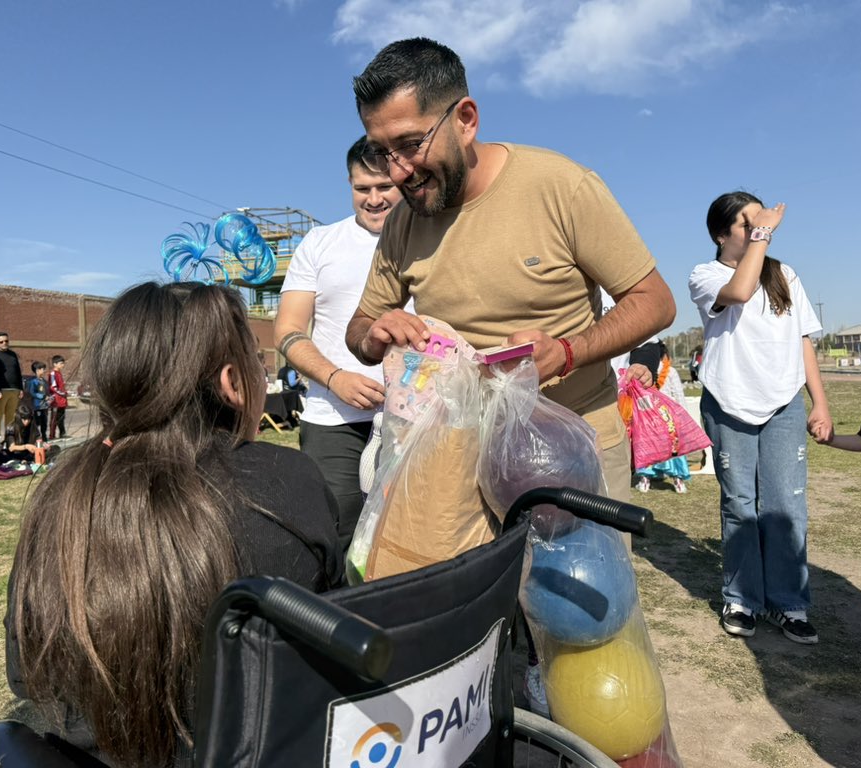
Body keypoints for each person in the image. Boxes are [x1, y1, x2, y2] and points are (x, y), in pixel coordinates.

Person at [5, 281, 342, 768]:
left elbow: (24, 674)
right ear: (232, 382)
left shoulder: (59, 494)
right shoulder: (289, 479)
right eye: (257, 360)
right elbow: (332, 652)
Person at [343, 38, 675, 510]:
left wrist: (566, 353)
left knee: (576, 563)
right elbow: (359, 327)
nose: (398, 172)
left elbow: (654, 302)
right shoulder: (402, 222)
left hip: (575, 442)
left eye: (411, 144)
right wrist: (374, 336)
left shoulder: (561, 187)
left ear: (465, 120)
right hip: (458, 453)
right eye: (382, 152)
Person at [689, 190, 832, 645]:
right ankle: (742, 599)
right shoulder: (706, 275)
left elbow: (803, 340)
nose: (758, 231)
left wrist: (819, 402)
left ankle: (789, 603)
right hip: (729, 403)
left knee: (785, 506)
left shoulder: (784, 274)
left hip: (783, 403)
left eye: (761, 222)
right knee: (740, 504)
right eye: (747, 225)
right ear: (720, 234)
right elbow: (739, 291)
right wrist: (764, 235)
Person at [274, 137, 401, 551]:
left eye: (384, 186)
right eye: (362, 188)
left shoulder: (430, 239)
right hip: (334, 420)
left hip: (415, 419)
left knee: (406, 533)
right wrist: (335, 378)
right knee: (337, 535)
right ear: (349, 184)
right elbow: (287, 330)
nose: (374, 199)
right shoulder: (319, 243)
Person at [628, 341, 691, 494]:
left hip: (650, 416)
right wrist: (683, 417)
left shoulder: (643, 370)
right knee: (673, 449)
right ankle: (678, 481)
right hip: (667, 416)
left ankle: (645, 481)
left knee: (649, 447)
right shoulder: (671, 371)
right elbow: (678, 395)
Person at [0, 331, 23, 436]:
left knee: (11, 417)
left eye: (6, 341)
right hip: (1, 391)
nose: (4, 343)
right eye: (1, 342)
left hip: (14, 390)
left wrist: (21, 388)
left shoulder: (13, 354)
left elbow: (18, 371)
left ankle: (9, 440)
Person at [26, 361, 50, 439]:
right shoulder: (33, 381)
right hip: (36, 405)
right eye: (42, 369)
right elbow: (31, 392)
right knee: (36, 422)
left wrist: (48, 397)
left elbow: (47, 391)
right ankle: (36, 436)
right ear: (37, 370)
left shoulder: (44, 381)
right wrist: (42, 396)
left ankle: (44, 435)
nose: (44, 370)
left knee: (44, 421)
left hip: (44, 405)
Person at [48, 355, 68, 439]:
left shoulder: (59, 373)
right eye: (61, 363)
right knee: (54, 419)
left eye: (63, 363)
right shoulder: (53, 374)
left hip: (62, 400)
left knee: (61, 418)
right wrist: (62, 393)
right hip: (56, 400)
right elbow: (53, 387)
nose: (63, 365)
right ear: (55, 364)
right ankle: (52, 435)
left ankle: (62, 433)